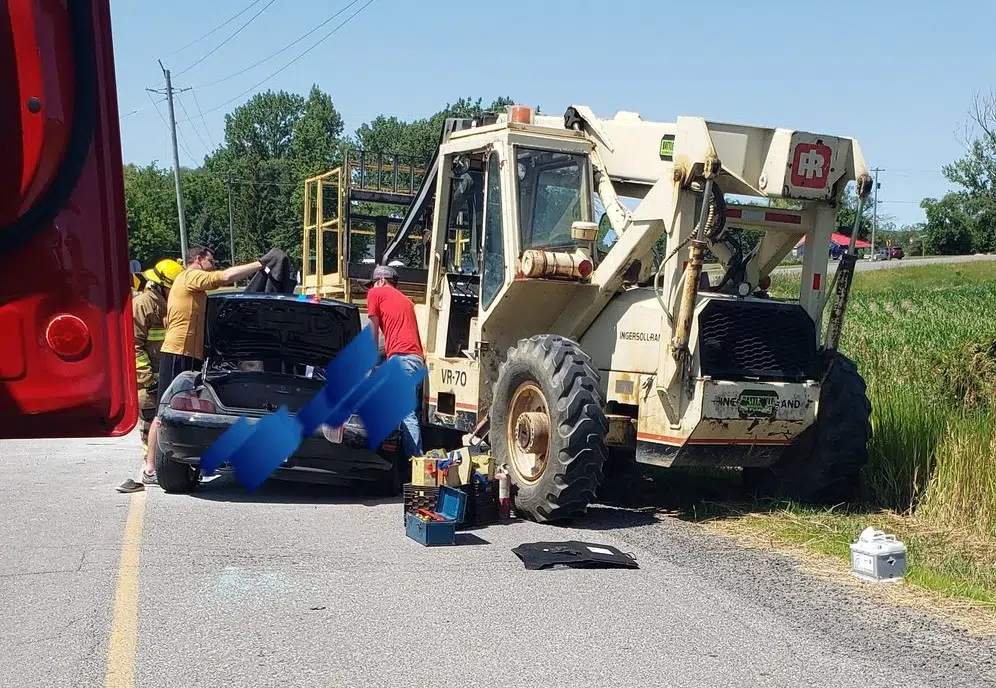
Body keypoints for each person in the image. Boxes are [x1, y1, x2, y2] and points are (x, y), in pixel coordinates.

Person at [141, 245, 275, 481]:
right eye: (211, 261)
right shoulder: (190, 276)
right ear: (199, 259)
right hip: (177, 354)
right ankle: (151, 468)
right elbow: (224, 277)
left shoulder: (194, 288)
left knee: (191, 409)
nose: (213, 264)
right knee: (164, 411)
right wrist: (260, 264)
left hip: (191, 355)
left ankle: (192, 463)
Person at [117, 259, 183, 493]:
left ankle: (156, 466)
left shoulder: (166, 304)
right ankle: (150, 470)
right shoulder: (143, 305)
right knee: (149, 424)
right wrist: (148, 380)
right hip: (148, 379)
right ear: (162, 285)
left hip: (164, 374)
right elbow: (133, 347)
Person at [364, 265, 425, 460]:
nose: (371, 287)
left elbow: (373, 330)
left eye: (373, 283)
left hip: (402, 359)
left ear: (380, 281)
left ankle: (415, 464)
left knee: (405, 413)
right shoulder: (406, 301)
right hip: (415, 360)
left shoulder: (376, 292)